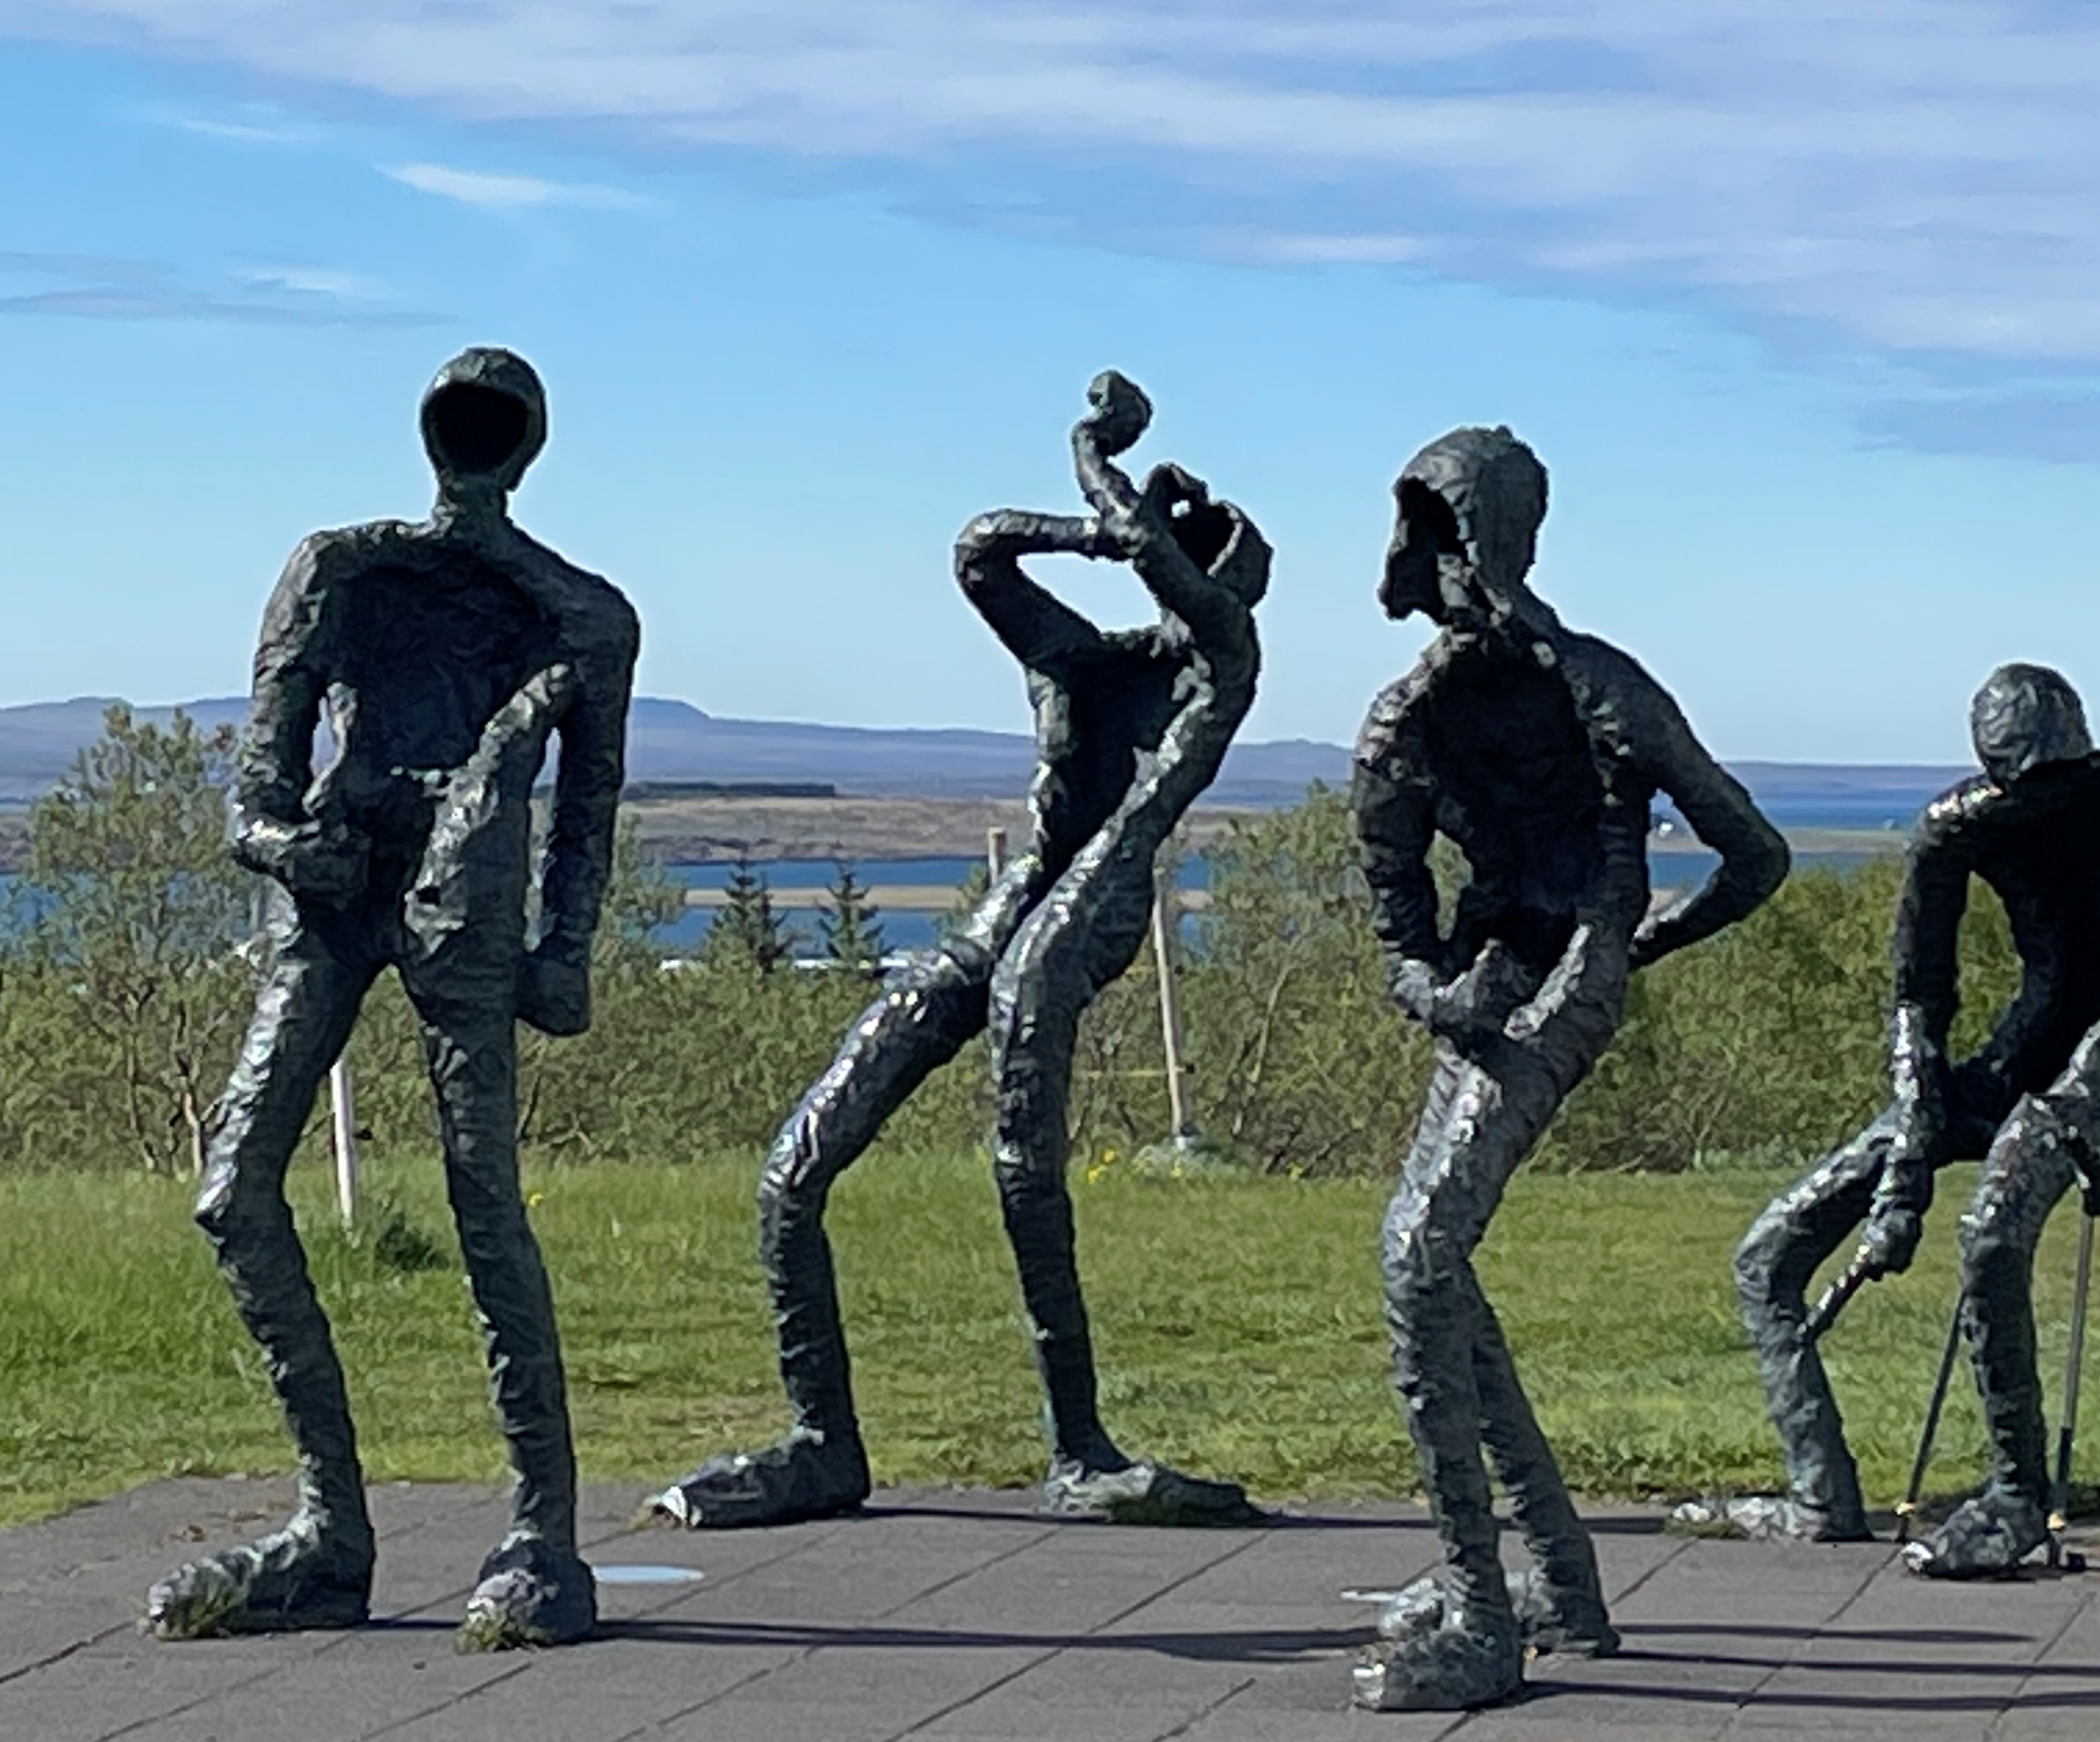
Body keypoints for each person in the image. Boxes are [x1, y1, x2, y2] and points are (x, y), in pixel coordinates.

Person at [656, 371, 1266, 1530]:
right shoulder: (1078, 661)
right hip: (1009, 917)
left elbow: (1170, 575)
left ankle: (1079, 1445)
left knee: (1022, 1162)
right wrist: (1088, 519)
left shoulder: (1221, 673)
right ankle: (823, 1441)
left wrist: (1096, 454)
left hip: (1085, 920)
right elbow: (980, 551)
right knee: (791, 1170)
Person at [145, 347, 639, 1649]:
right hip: (335, 885)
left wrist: (563, 951)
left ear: (519, 450)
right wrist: (283, 845)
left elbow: (587, 807)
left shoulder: (582, 617)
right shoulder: (340, 569)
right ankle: (330, 1530)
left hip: (464, 895)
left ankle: (541, 1532)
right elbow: (256, 787)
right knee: (232, 1191)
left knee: (484, 1205)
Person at [1350, 425, 1789, 1710]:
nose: (1440, 567)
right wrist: (1439, 993)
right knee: (1429, 1257)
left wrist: (1629, 945)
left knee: (1416, 1254)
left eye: (1453, 537)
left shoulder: (1604, 692)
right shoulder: (1404, 723)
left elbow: (1752, 854)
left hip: (1567, 980)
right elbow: (1398, 927)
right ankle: (1555, 1581)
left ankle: (1484, 1618)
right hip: (1489, 992)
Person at [1721, 662, 2100, 1577]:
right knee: (1767, 1254)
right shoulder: (1955, 827)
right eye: (2015, 779)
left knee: (1990, 1229)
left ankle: (2015, 1496)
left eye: (2054, 775)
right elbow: (1918, 1000)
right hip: (2019, 1056)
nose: (2037, 797)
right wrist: (1906, 1163)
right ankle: (1819, 1492)